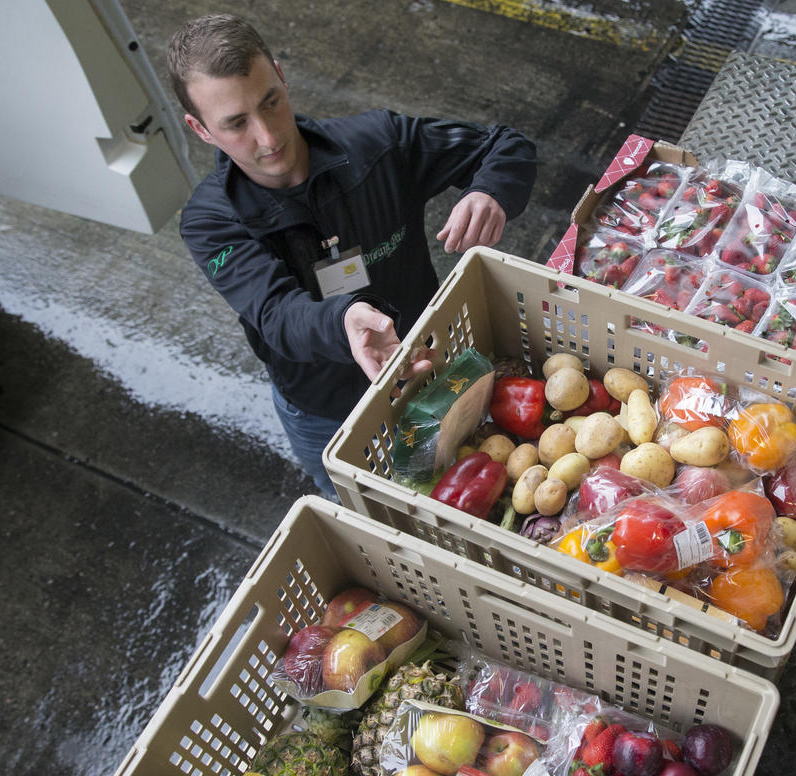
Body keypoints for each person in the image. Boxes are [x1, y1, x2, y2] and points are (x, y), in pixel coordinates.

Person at [167, 14, 537, 498]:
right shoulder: (212, 221)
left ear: (280, 74)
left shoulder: (379, 144)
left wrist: (491, 191)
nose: (268, 136)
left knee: (463, 479)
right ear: (201, 129)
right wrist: (345, 320)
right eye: (236, 124)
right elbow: (276, 314)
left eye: (271, 103)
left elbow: (506, 146)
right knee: (356, 505)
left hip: (430, 367)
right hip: (326, 409)